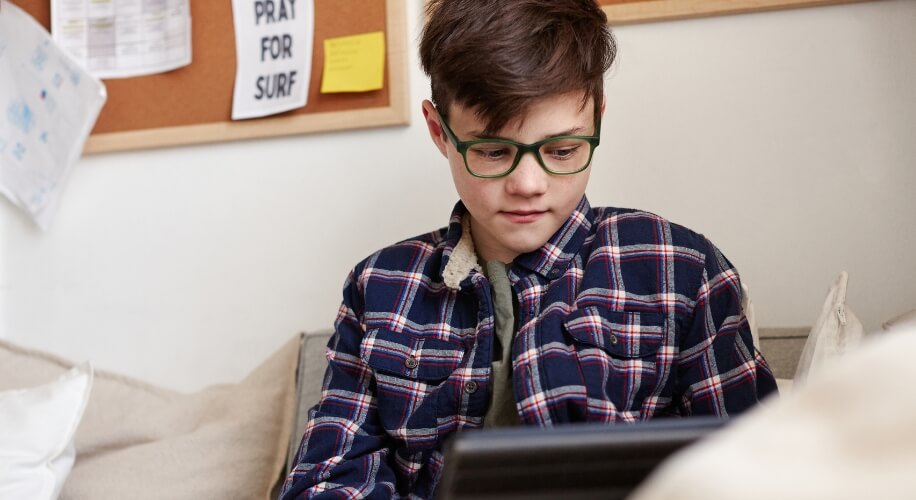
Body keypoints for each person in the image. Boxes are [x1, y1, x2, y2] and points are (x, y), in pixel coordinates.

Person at [281, 1, 777, 498]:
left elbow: (764, 469)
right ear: (439, 132)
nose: (527, 184)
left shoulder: (682, 271)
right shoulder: (379, 288)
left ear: (597, 120)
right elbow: (327, 477)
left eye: (562, 150)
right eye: (493, 151)